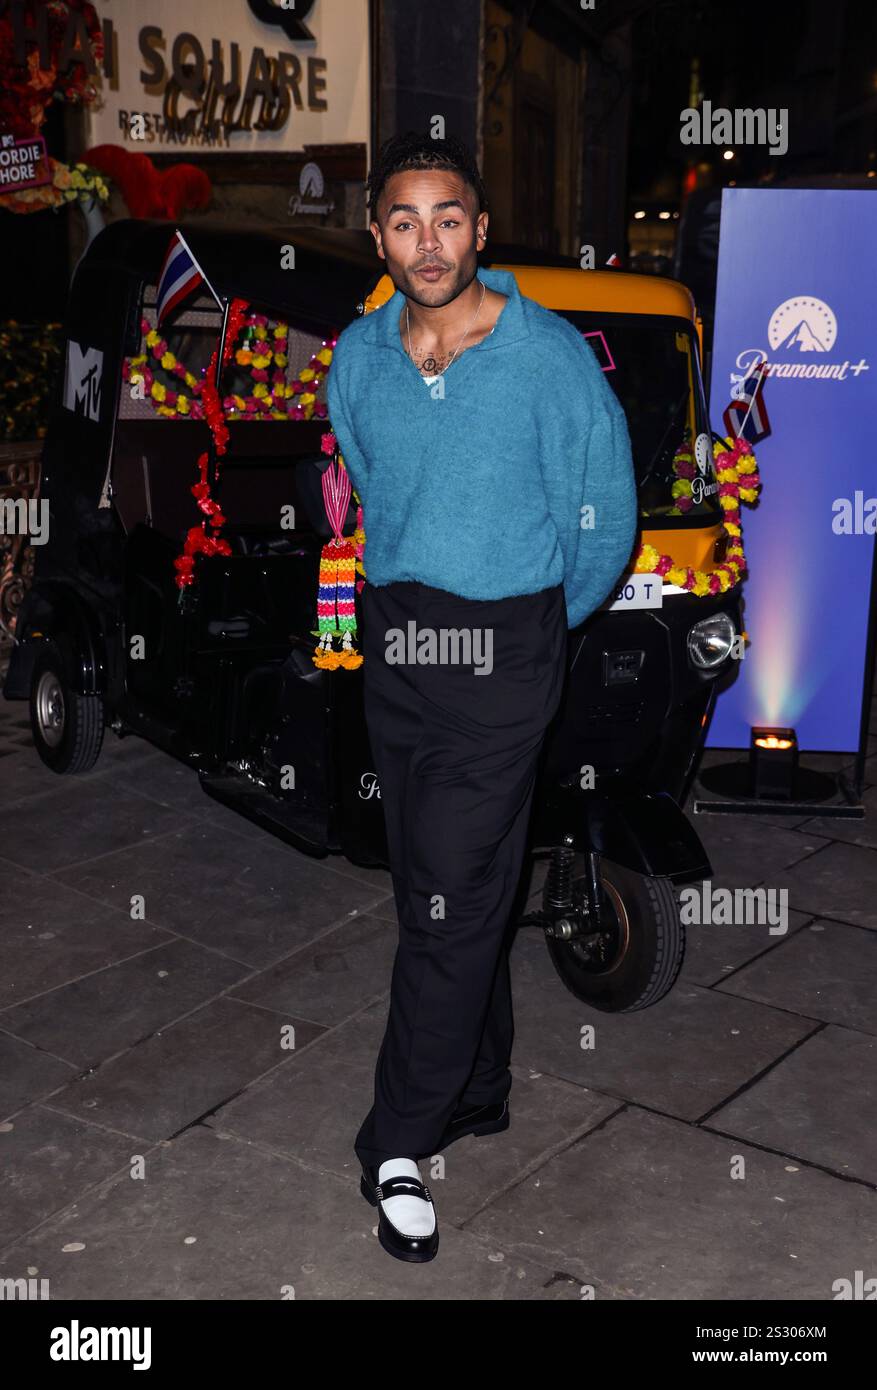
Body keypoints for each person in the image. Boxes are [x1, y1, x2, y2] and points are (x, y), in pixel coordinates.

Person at [327, 131, 636, 1264]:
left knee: (446, 899)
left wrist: (533, 631)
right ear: (377, 235)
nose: (427, 241)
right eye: (403, 220)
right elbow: (368, 480)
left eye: (447, 217)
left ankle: (399, 1140)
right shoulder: (356, 358)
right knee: (438, 881)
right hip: (397, 644)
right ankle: (482, 1081)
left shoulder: (547, 358)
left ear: (480, 229)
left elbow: (603, 519)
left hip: (503, 653)